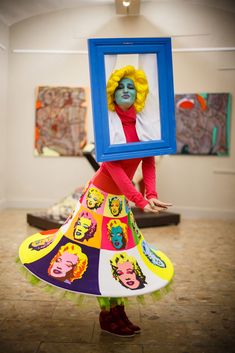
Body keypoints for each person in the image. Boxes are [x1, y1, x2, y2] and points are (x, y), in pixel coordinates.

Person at [19, 64, 174, 338]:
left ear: (138, 93)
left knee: (119, 255)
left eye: (131, 87)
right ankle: (107, 315)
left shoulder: (144, 123)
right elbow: (113, 168)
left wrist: (151, 195)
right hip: (98, 200)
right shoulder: (110, 123)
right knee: (95, 255)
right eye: (120, 87)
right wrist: (138, 199)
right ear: (112, 93)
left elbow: (149, 161)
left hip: (119, 202)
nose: (126, 91)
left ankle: (119, 311)